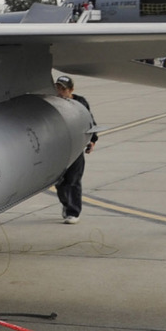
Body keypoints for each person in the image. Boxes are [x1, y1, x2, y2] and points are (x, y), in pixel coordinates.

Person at [53, 75, 98, 224]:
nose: (60, 92)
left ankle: (73, 212)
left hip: (76, 147)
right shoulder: (54, 102)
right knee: (59, 182)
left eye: (63, 89)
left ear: (71, 90)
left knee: (73, 181)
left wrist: (92, 140)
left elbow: (90, 121)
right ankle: (66, 204)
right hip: (59, 148)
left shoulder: (80, 103)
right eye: (58, 88)